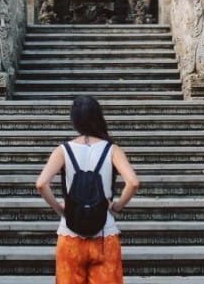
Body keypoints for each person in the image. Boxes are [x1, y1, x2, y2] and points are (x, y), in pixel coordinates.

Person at [36, 96, 141, 284]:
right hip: (104, 236)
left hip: (70, 235)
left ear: (74, 120)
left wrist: (62, 209)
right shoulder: (112, 149)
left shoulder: (63, 150)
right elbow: (133, 182)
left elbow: (41, 184)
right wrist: (116, 207)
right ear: (98, 117)